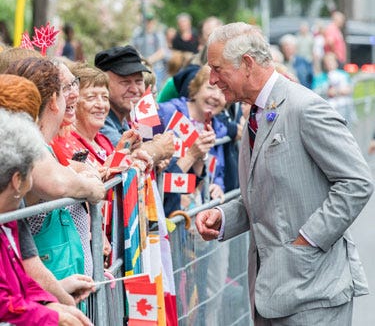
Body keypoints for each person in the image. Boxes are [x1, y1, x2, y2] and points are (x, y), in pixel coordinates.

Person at [196, 22, 374, 325]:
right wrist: (224, 217)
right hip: (271, 294)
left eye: (218, 68)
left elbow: (356, 181)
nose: (212, 79)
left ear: (248, 64)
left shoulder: (305, 108)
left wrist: (308, 239)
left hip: (314, 295)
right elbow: (267, 192)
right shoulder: (255, 112)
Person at [0, 108, 92, 325]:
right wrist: (52, 314)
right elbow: (4, 303)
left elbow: (21, 282)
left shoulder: (9, 221)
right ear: (17, 180)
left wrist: (51, 299)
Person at [159, 65, 224, 215]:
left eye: (222, 90)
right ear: (195, 90)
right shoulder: (167, 112)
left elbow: (218, 172)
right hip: (166, 213)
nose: (216, 96)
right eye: (210, 87)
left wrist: (217, 186)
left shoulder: (219, 129)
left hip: (196, 217)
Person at [94, 45, 175, 167]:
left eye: (138, 81)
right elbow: (125, 157)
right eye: (125, 82)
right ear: (103, 84)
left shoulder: (124, 119)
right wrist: (158, 149)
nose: (134, 89)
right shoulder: (99, 118)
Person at [312, 52, 357, 127]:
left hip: (344, 111)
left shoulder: (344, 75)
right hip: (326, 113)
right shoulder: (319, 78)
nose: (329, 64)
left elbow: (349, 89)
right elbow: (314, 92)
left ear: (336, 63)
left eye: (331, 61)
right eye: (327, 62)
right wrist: (327, 92)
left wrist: (336, 91)